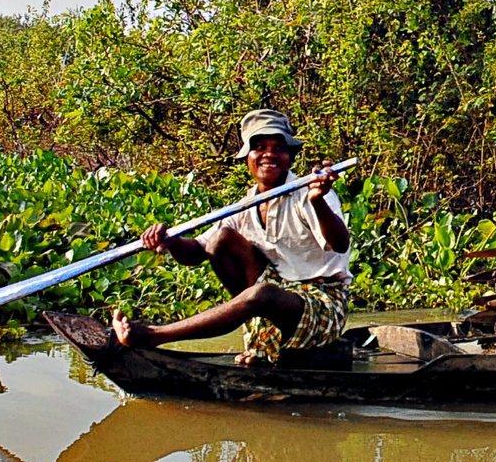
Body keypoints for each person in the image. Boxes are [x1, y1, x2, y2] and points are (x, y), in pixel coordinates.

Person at [109, 108, 351, 366]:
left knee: (262, 294)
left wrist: (318, 202)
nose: (269, 154)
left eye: (278, 148)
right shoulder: (245, 206)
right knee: (221, 239)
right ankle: (261, 335)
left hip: (322, 300)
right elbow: (197, 251)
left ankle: (153, 335)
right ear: (248, 157)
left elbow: (339, 243)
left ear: (289, 157)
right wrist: (171, 242)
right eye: (259, 147)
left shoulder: (311, 193)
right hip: (278, 292)